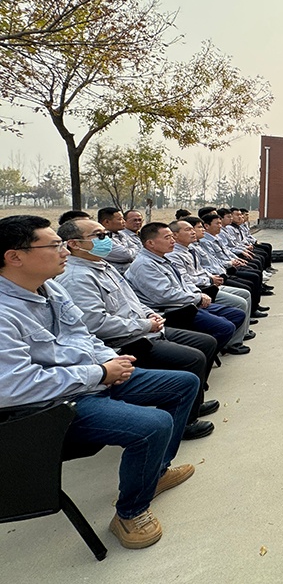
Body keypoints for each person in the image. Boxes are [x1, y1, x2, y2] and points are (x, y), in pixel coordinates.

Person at [0, 215, 199, 549]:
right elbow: (13, 387)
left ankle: (155, 472)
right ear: (14, 256)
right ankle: (130, 513)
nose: (64, 251)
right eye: (54, 245)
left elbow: (83, 334)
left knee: (184, 384)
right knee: (153, 425)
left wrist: (110, 361)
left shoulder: (51, 287)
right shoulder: (4, 313)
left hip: (93, 377)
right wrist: (99, 373)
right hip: (51, 407)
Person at [56, 218, 218, 439]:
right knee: (193, 358)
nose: (107, 240)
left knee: (206, 342)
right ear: (74, 244)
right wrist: (145, 324)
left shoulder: (103, 265)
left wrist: (149, 314)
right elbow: (97, 323)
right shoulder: (77, 278)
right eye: (99, 236)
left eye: (107, 235)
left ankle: (192, 404)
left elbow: (132, 299)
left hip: (146, 327)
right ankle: (184, 421)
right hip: (126, 341)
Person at [125, 223, 247, 355]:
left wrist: (198, 294)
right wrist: (197, 298)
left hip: (186, 302)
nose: (172, 241)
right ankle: (203, 354)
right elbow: (165, 296)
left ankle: (210, 349)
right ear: (150, 243)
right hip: (172, 310)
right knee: (224, 328)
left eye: (172, 237)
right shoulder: (145, 265)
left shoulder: (162, 258)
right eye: (167, 238)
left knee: (237, 314)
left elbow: (184, 282)